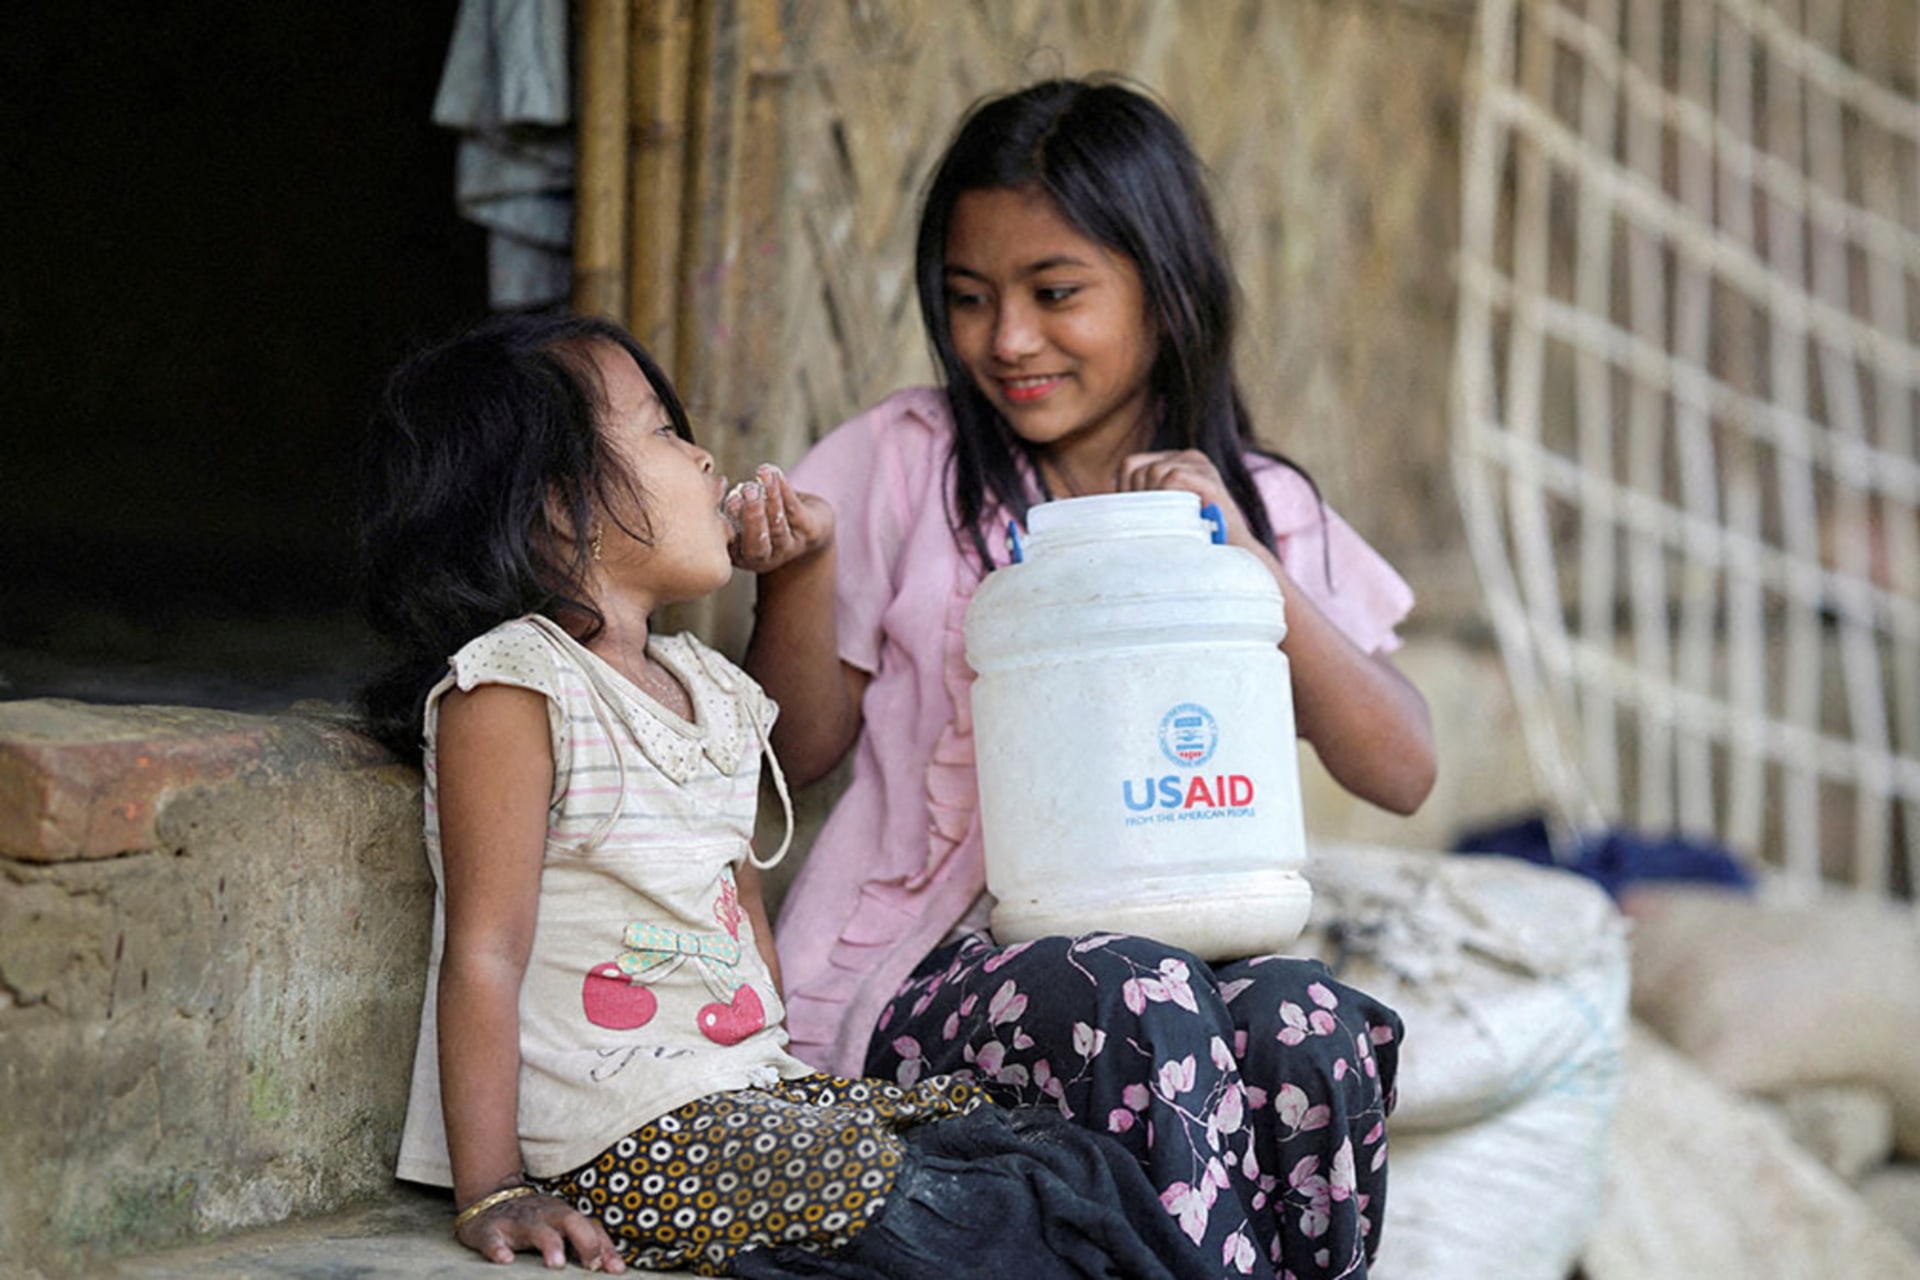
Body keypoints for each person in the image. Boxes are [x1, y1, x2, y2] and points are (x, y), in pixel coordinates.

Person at [733, 78, 1435, 1278]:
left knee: (1311, 1018)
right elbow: (789, 752)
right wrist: (798, 575)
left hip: (1190, 964)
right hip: (931, 976)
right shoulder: (910, 463)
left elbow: (1403, 766)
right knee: (1144, 989)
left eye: (1056, 293)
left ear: (1166, 295)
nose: (1007, 339)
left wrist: (1250, 565)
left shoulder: (1256, 503)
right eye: (968, 298)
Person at [360, 311, 1230, 1278]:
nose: (702, 460)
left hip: (747, 1094)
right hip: (623, 1136)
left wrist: (802, 569)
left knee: (1050, 1158)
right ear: (558, 504)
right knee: (966, 1213)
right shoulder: (516, 688)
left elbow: (743, 893)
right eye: (660, 431)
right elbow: (482, 950)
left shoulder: (704, 684)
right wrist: (495, 1189)